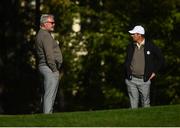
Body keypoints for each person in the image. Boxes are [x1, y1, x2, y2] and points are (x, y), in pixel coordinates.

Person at [124, 25, 164, 109]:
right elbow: (127, 61)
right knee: (133, 105)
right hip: (131, 80)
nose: (131, 36)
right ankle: (133, 121)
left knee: (145, 104)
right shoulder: (130, 46)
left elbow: (161, 59)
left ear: (139, 35)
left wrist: (154, 72)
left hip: (144, 80)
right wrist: (128, 74)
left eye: (133, 34)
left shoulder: (150, 46)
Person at [35, 14, 63, 114]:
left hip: (44, 67)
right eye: (52, 23)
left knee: (46, 94)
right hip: (49, 68)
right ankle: (47, 118)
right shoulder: (45, 35)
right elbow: (49, 55)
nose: (54, 24)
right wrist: (54, 70)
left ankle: (44, 118)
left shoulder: (41, 34)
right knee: (49, 95)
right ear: (45, 23)